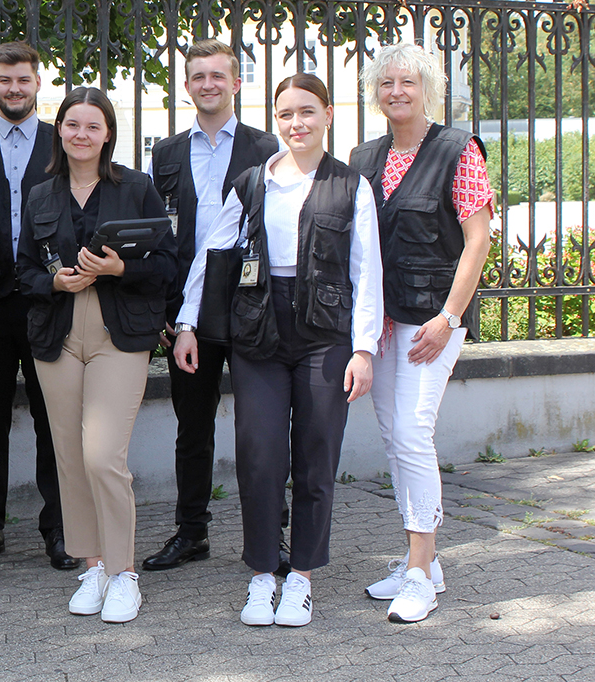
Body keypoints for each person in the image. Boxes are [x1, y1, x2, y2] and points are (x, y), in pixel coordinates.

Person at [172, 73, 383, 627]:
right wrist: (188, 322)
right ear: (276, 119)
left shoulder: (352, 186)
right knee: (260, 455)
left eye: (308, 112)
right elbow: (211, 254)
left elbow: (366, 272)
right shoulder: (250, 183)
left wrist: (363, 351)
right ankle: (263, 573)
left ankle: (303, 578)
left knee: (316, 457)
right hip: (259, 330)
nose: (297, 123)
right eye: (287, 113)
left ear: (328, 115)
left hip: (325, 334)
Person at [17, 87, 177, 624]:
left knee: (102, 455)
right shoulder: (39, 193)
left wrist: (120, 271)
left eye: (92, 126)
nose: (80, 134)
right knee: (68, 458)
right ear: (59, 130)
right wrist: (52, 281)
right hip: (58, 334)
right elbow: (21, 271)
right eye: (71, 124)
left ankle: (124, 572)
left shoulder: (136, 188)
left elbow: (168, 264)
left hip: (119, 333)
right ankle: (93, 565)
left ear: (108, 133)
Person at [351, 43, 492, 623]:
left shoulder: (457, 149)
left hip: (433, 319)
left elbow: (477, 238)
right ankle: (422, 561)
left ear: (426, 87)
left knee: (412, 431)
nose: (396, 93)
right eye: (386, 84)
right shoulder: (365, 156)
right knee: (395, 436)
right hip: (382, 322)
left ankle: (420, 573)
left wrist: (449, 318)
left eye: (406, 82)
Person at [144, 38, 279, 571]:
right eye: (198, 76)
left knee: (261, 428)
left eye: (217, 76)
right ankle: (191, 531)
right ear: (187, 85)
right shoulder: (167, 152)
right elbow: (160, 233)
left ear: (236, 83)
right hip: (188, 316)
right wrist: (168, 314)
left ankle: (274, 530)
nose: (208, 85)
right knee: (192, 428)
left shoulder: (266, 146)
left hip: (249, 306)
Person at [0, 41, 77, 571]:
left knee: (55, 419)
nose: (14, 89)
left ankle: (60, 529)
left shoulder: (61, 140)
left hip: (48, 297)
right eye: (5, 80)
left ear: (37, 83)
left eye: (23, 79)